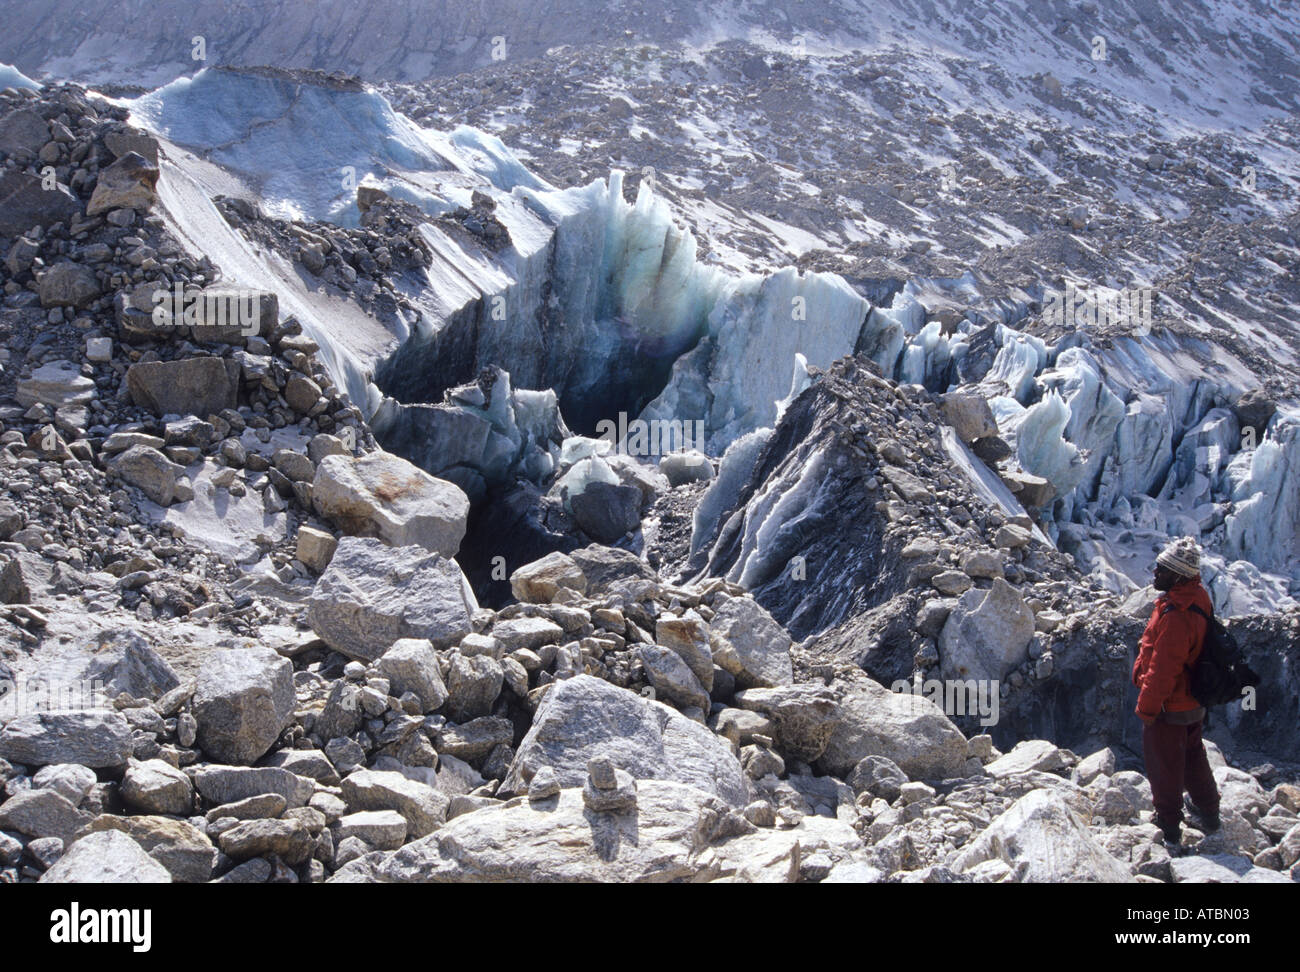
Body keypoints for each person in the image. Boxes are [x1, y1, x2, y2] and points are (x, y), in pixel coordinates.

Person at [1132, 537, 1221, 847]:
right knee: (1193, 755)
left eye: (1162, 569)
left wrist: (1147, 707)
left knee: (1164, 762)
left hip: (1171, 704)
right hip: (1192, 699)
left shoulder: (1177, 614)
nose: (1155, 573)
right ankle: (1209, 812)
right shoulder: (1197, 597)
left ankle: (1168, 825)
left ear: (1177, 575)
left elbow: (1163, 667)